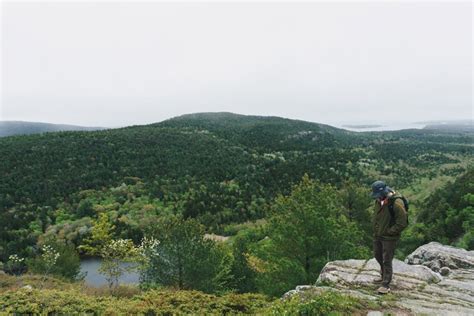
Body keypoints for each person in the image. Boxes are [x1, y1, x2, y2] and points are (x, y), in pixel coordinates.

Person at [371, 180, 408, 294]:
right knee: (377, 255)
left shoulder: (396, 203)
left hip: (389, 237)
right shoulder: (379, 201)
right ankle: (383, 275)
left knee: (387, 259)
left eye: (379, 195)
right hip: (378, 235)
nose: (377, 198)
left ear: (384, 192)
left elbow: (402, 223)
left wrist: (390, 232)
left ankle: (385, 284)